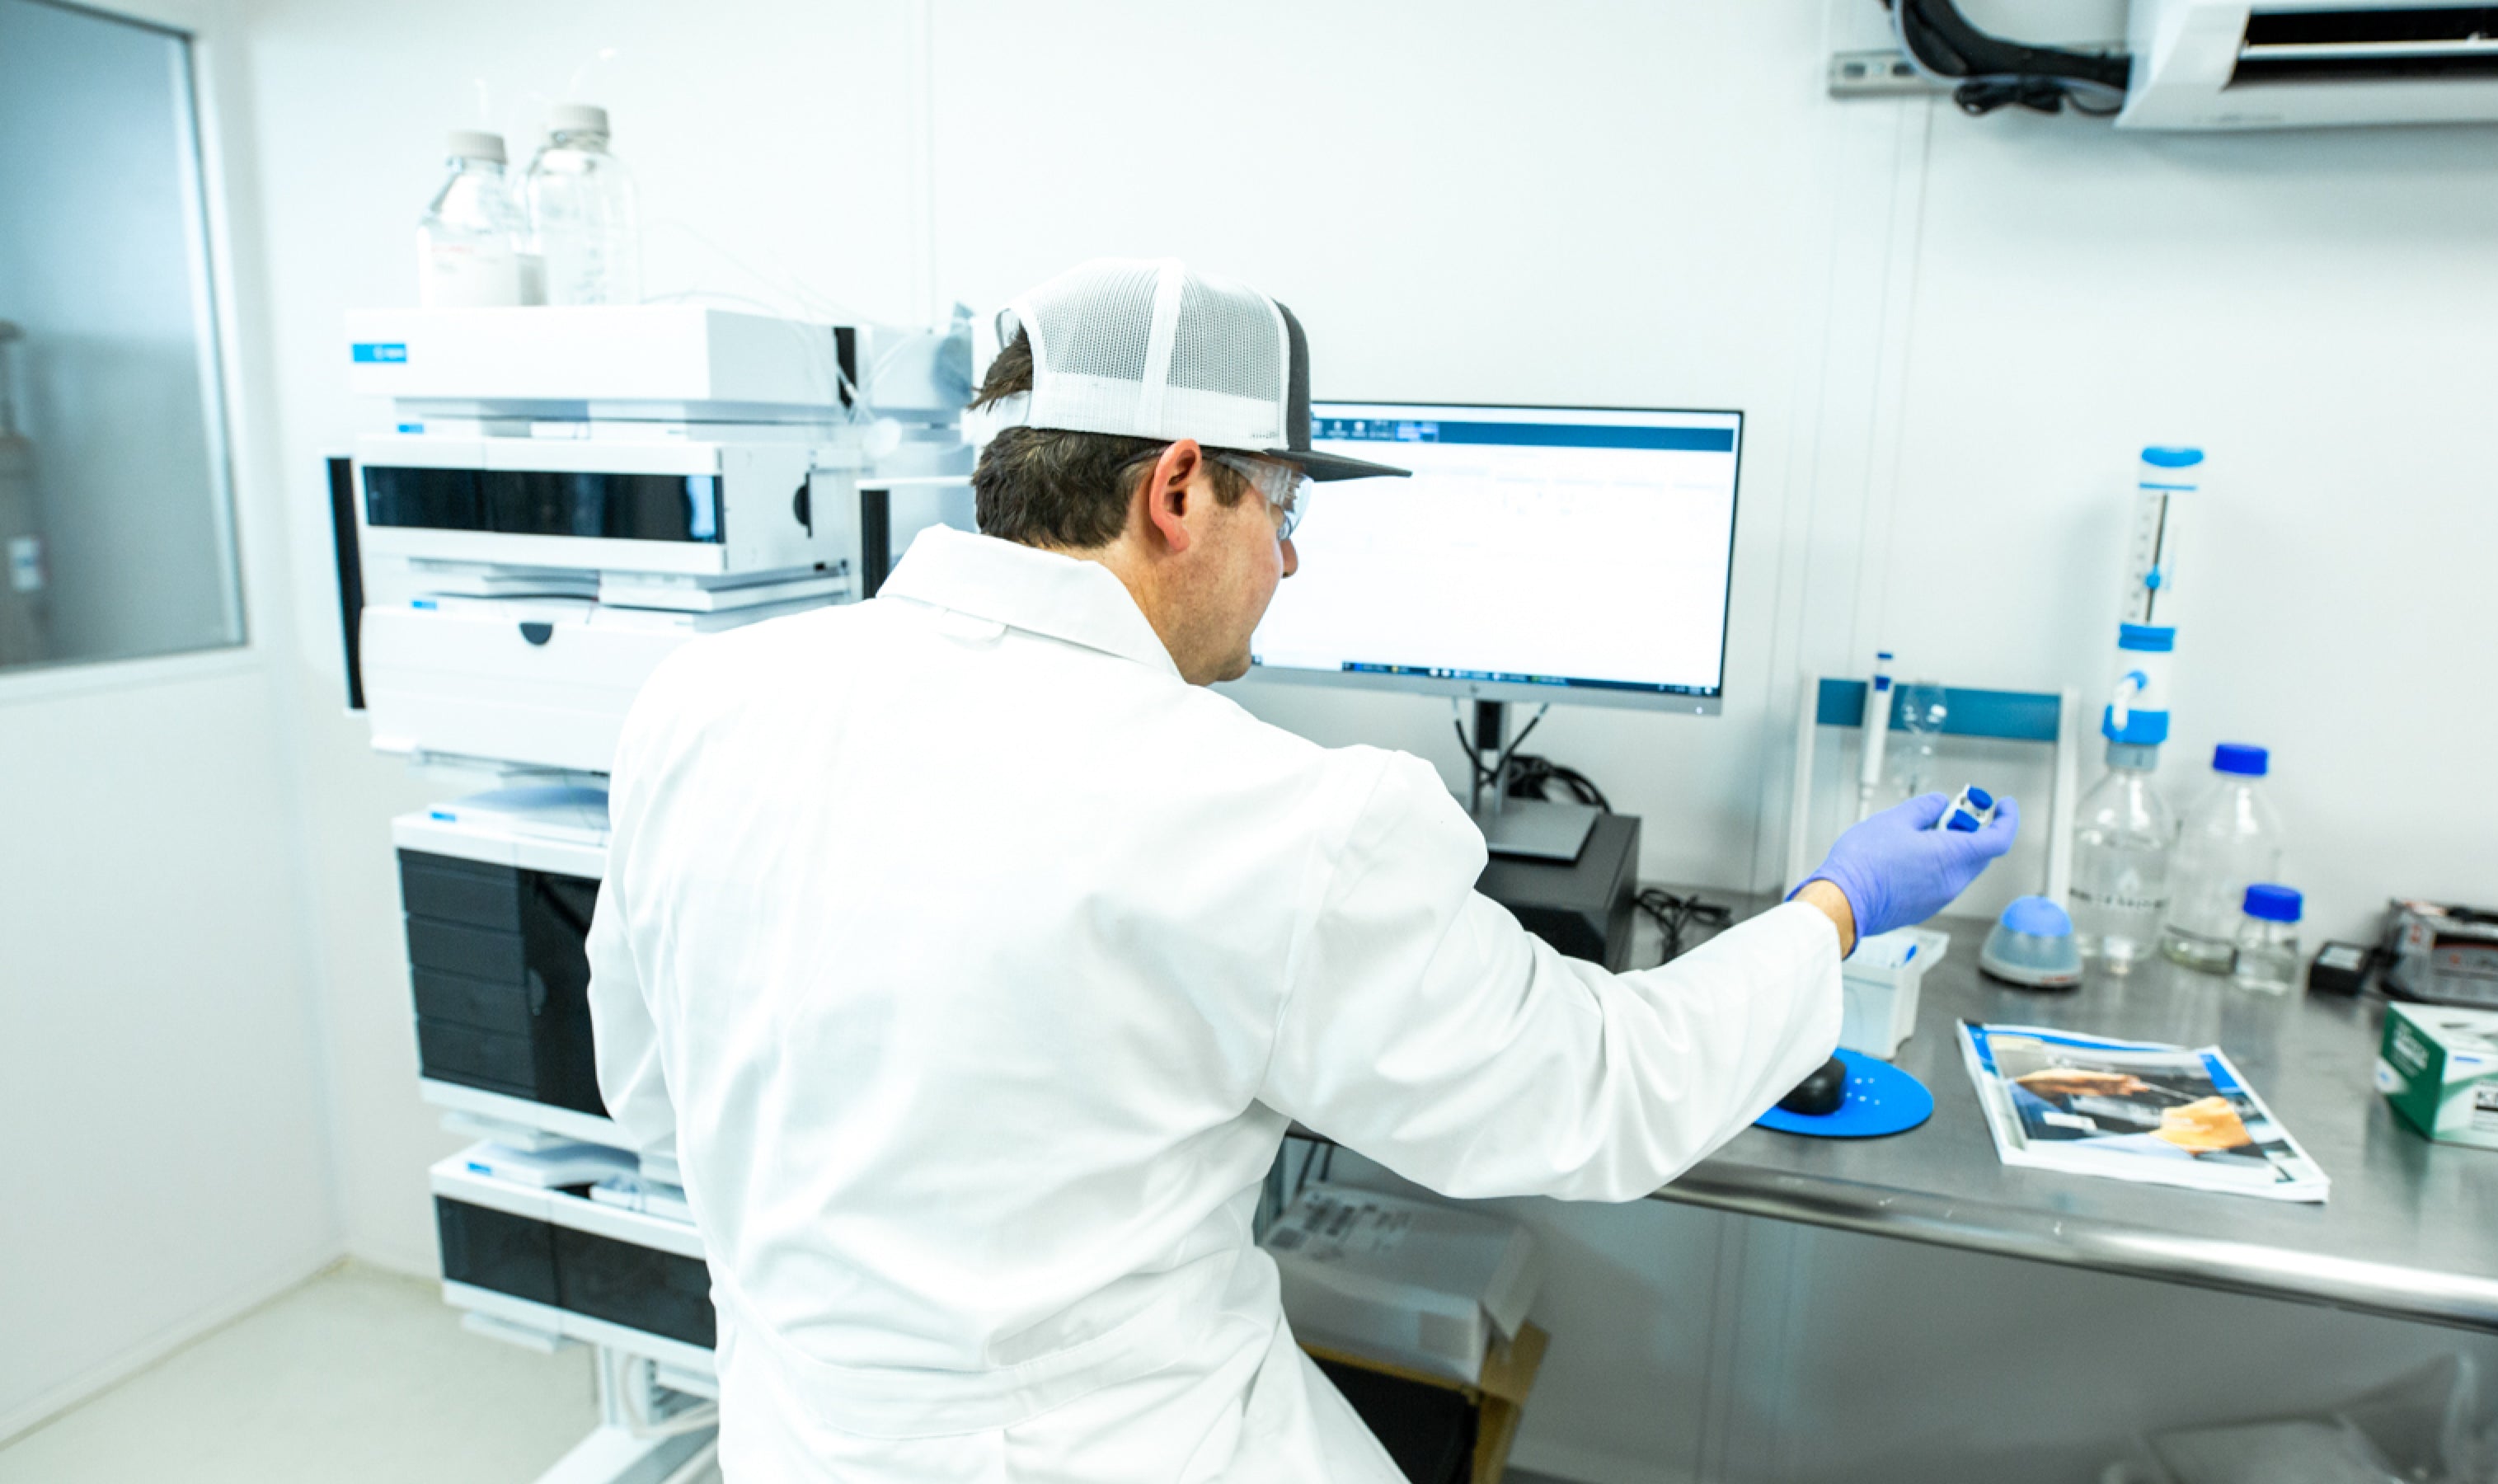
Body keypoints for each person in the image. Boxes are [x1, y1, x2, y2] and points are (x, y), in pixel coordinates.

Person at [585, 258, 2017, 1483]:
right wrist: (1836, 909)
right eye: (1286, 514)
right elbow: (1598, 1094)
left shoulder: (701, 705)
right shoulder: (1268, 815)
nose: (1292, 567)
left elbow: (652, 1103)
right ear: (1180, 490)